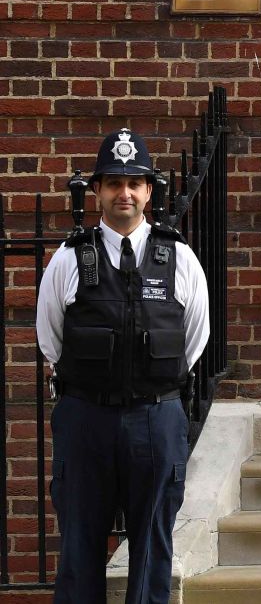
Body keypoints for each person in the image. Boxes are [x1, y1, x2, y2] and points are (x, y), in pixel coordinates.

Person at [36, 128, 210, 604]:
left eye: (134, 183)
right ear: (97, 192)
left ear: (149, 190)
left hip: (156, 417)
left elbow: (194, 339)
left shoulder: (180, 258)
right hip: (85, 417)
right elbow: (50, 338)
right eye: (113, 183)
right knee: (79, 545)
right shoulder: (71, 259)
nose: (125, 193)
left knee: (152, 545)